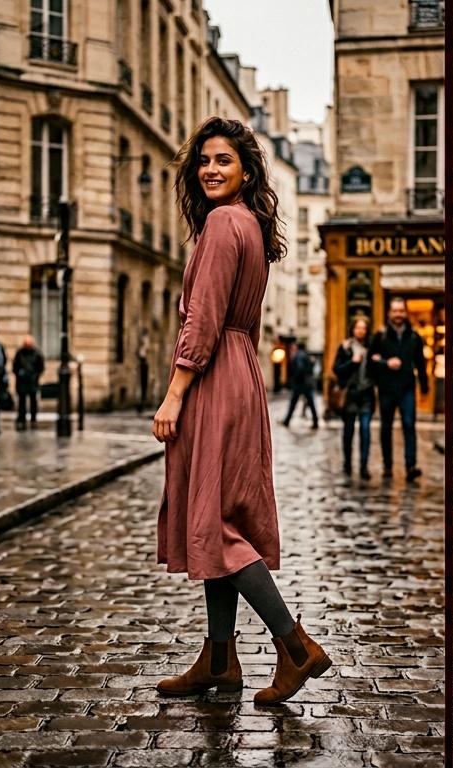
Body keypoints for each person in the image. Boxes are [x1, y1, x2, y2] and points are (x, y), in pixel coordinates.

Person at [152, 116, 331, 707]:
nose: (210, 169)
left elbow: (200, 320)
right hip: (242, 370)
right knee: (216, 515)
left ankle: (295, 646)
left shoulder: (224, 223)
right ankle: (221, 659)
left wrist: (175, 393)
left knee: (219, 526)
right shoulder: (249, 225)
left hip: (214, 378)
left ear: (247, 170)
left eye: (224, 160)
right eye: (204, 159)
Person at [368, 298, 429, 480]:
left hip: (406, 387)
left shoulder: (414, 337)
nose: (398, 315)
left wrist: (424, 384)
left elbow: (420, 362)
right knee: (386, 427)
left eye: (401, 311)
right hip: (386, 388)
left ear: (405, 313)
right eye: (395, 311)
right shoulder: (380, 336)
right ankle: (388, 465)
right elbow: (371, 360)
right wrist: (387, 363)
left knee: (409, 425)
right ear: (389, 313)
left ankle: (410, 465)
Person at [333, 316, 376, 478]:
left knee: (365, 430)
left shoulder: (372, 348)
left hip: (366, 394)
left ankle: (364, 467)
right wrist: (352, 362)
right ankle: (347, 464)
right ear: (352, 329)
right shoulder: (345, 347)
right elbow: (337, 369)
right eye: (358, 327)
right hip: (350, 394)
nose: (361, 331)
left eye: (363, 328)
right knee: (348, 431)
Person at [281, 341, 320, 429]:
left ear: (297, 347)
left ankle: (287, 421)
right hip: (307, 382)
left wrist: (295, 379)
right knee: (310, 403)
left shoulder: (299, 355)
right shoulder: (306, 355)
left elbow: (300, 368)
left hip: (301, 383)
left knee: (294, 402)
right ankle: (315, 421)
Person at [12, 335, 45, 429]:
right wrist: (19, 374)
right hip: (22, 381)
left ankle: (33, 418)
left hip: (32, 381)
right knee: (22, 401)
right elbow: (15, 365)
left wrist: (35, 376)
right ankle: (21, 418)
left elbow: (41, 367)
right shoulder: (20, 353)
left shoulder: (37, 353)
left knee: (33, 401)